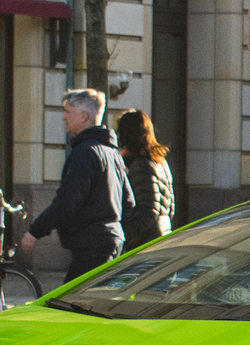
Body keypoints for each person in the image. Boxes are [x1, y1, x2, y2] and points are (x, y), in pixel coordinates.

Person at [24, 88, 131, 281]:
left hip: (91, 245)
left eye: (67, 112)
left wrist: (35, 231)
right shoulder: (112, 154)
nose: (64, 118)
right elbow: (129, 202)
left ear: (83, 116)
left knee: (74, 304)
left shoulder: (85, 153)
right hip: (111, 242)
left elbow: (67, 202)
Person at [114, 108, 174, 248]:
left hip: (146, 242)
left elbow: (148, 211)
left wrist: (124, 234)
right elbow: (170, 207)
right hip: (161, 234)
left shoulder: (141, 165)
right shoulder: (159, 162)